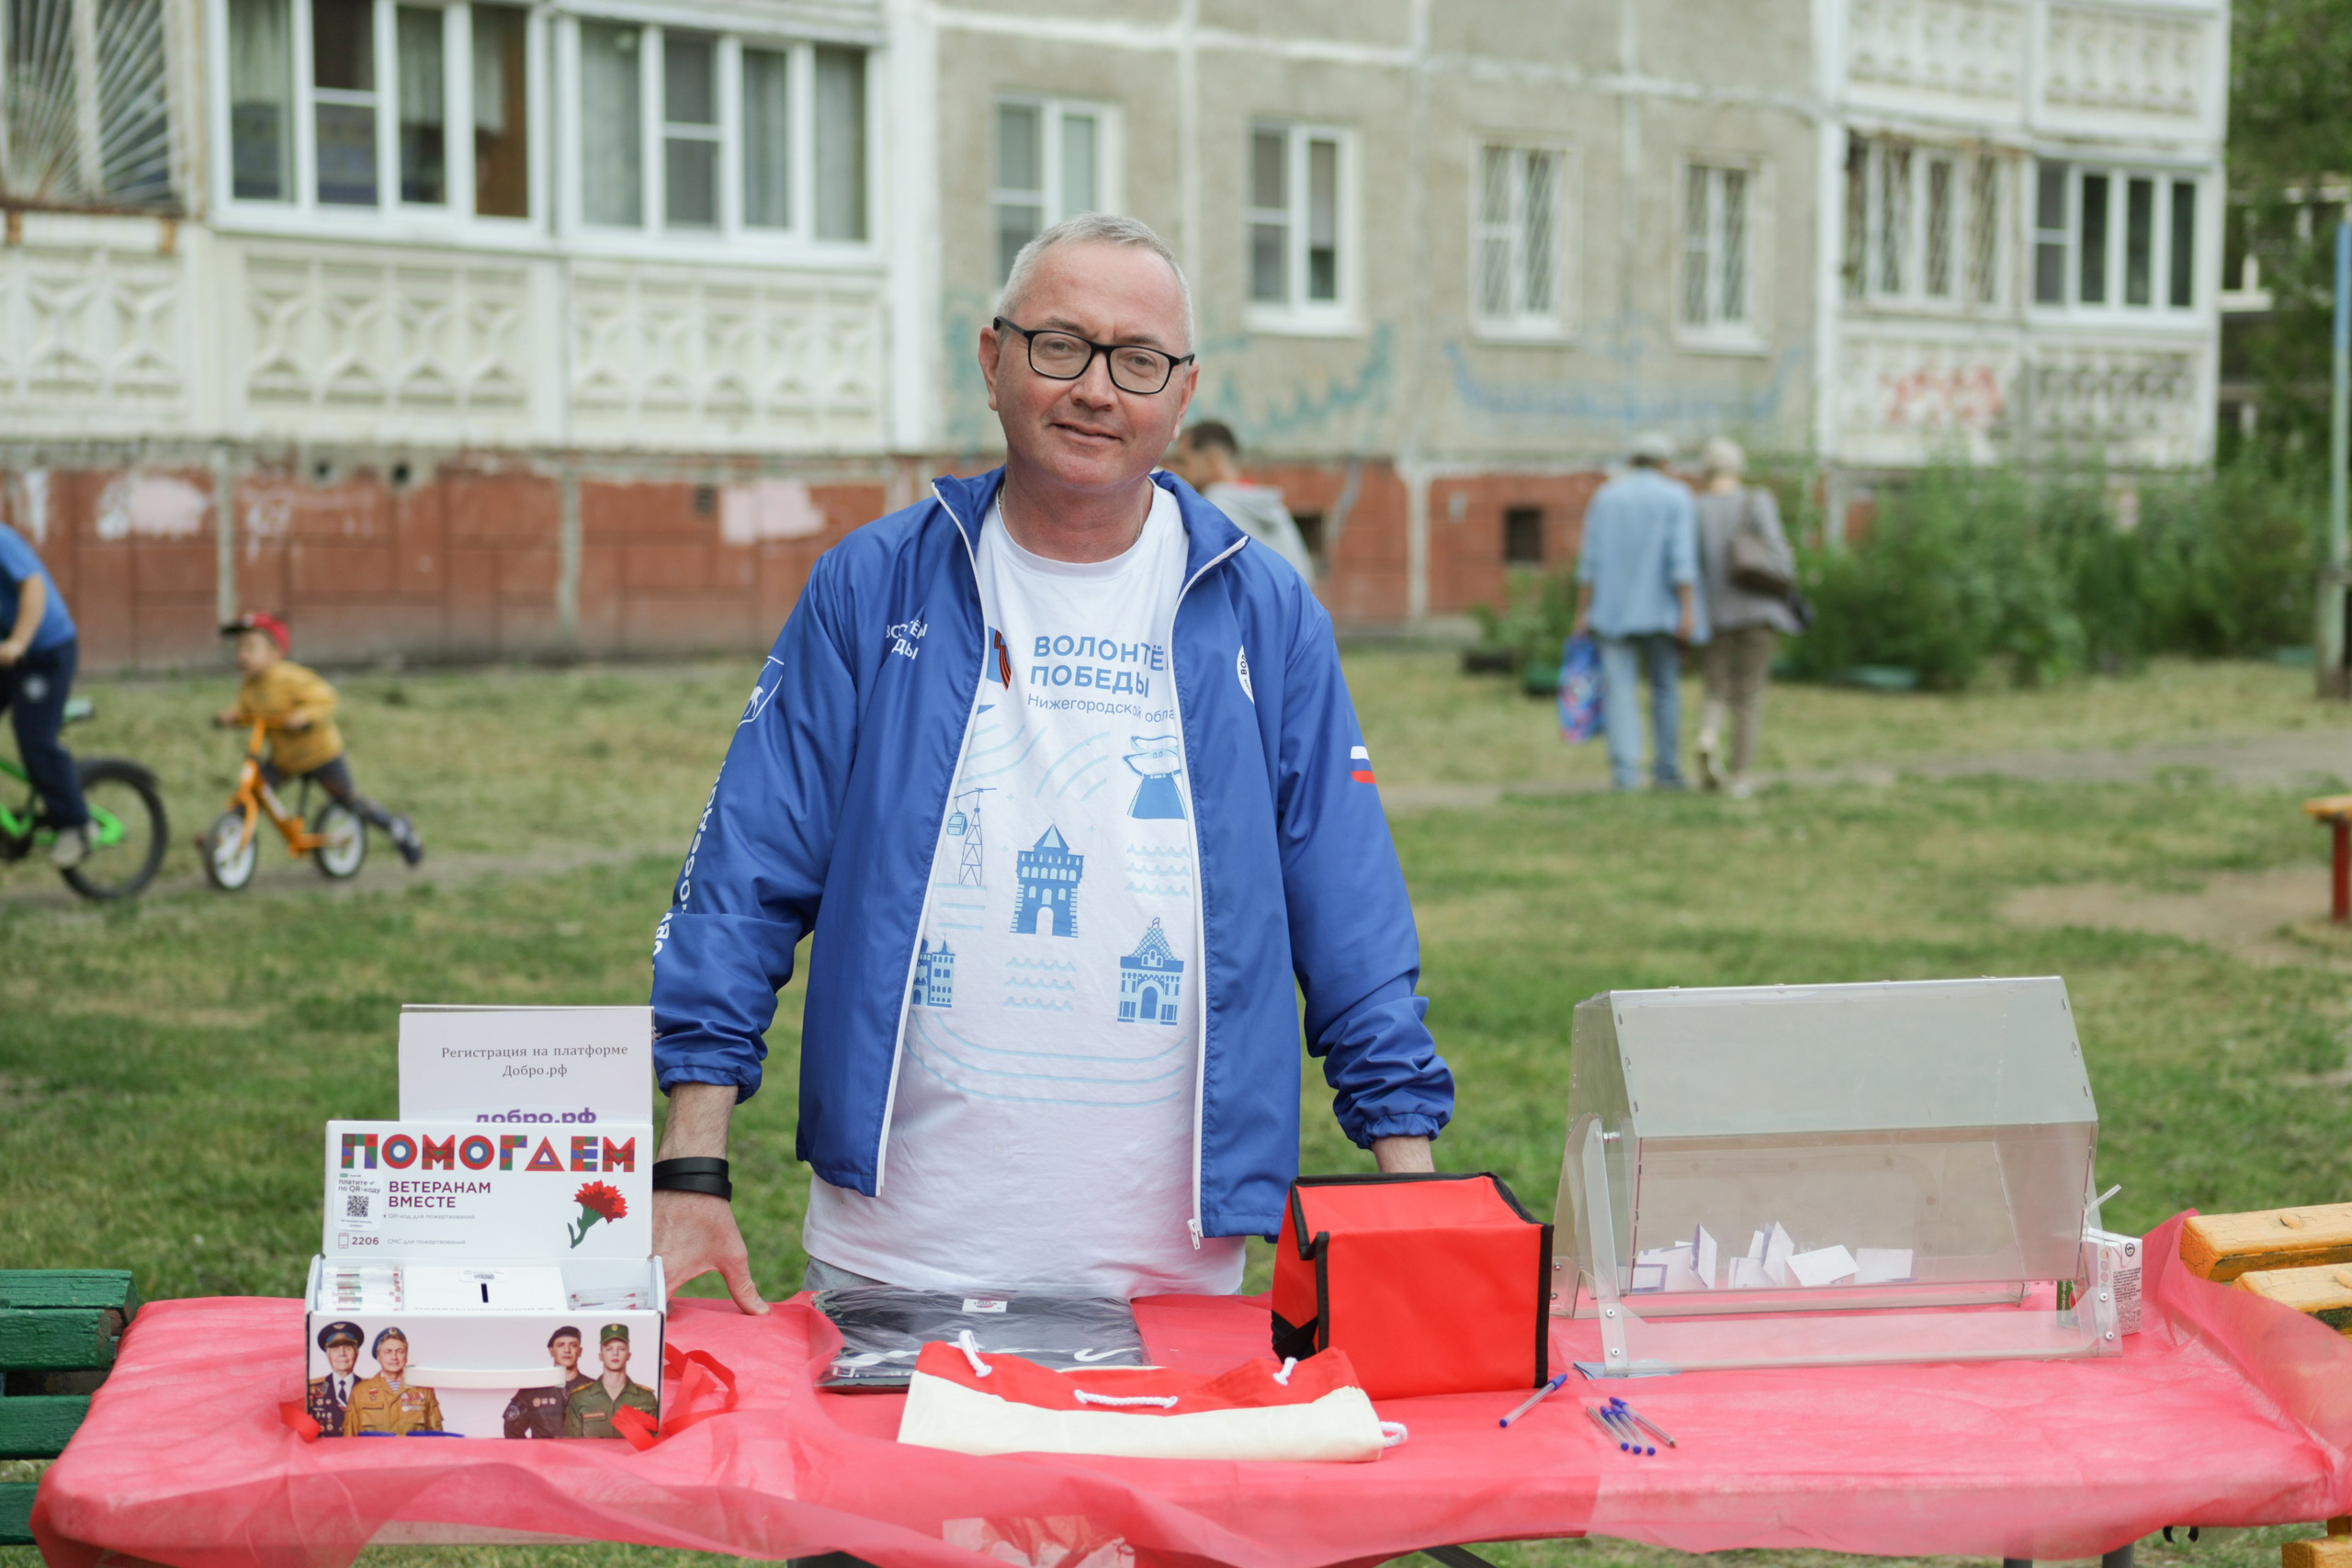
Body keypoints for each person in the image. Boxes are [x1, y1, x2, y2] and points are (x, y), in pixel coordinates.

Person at [647, 212, 1451, 1312]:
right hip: (897, 1261)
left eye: (1138, 360)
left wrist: (1411, 1198)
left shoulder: (1264, 609)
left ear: (1181, 391)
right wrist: (691, 1168)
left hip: (1175, 1279)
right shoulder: (871, 585)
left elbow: (1348, 913)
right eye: (1060, 345)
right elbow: (743, 876)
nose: (1096, 389)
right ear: (993, 360)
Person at [215, 613, 424, 865]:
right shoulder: (248, 686)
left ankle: (397, 828)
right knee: (253, 791)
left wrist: (304, 716)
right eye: (239, 649)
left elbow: (325, 697)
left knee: (348, 801)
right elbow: (249, 713)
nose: (242, 655)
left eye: (250, 648)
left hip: (321, 755)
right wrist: (235, 718)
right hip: (285, 760)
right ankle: (222, 836)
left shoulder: (290, 677)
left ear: (275, 652)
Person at [1573, 432, 1705, 792]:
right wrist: (1689, 611)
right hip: (1661, 611)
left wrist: (1582, 612)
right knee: (1665, 689)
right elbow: (1682, 561)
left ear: (1632, 461)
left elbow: (1590, 562)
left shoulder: (1607, 496)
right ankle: (1666, 770)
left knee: (1619, 690)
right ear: (1666, 463)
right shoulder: (1676, 497)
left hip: (1611, 612)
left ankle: (1625, 773)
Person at [1691, 437, 1801, 799]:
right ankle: (1738, 775)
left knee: (1717, 687)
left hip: (1717, 613)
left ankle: (1708, 735)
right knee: (1749, 694)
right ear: (1737, 467)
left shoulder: (1697, 508)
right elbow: (1778, 555)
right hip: (1758, 612)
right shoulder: (1757, 500)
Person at [0, 521, 92, 867]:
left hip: (44, 653)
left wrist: (19, 643)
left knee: (34, 738)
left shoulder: (2, 540)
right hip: (6, 653)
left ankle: (76, 825)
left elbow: (33, 588)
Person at [1167, 422, 1317, 579]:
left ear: (1213, 460)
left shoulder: (1212, 509)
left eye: (1183, 462)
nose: (1178, 471)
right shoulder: (1274, 508)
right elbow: (1304, 575)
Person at [342, 1327, 443, 1435]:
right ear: (378, 1356)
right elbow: (350, 1439)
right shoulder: (360, 1392)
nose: (394, 1357)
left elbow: (436, 1440)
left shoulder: (425, 1391)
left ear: (406, 1355)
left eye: (400, 1352)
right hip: (374, 1452)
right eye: (387, 1352)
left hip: (411, 1452)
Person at [563, 1324, 659, 1438]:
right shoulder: (580, 1398)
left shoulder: (645, 1398)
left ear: (628, 1355)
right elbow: (572, 1446)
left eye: (621, 1349)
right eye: (609, 1349)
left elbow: (653, 1446)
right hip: (592, 1456)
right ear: (601, 1355)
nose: (615, 1353)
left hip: (632, 1456)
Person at [502, 1325, 594, 1438]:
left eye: (573, 1345)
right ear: (551, 1351)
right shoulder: (534, 1389)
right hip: (546, 1456)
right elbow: (512, 1430)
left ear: (580, 1351)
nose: (567, 1350)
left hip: (583, 1455)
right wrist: (533, 1453)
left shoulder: (595, 1388)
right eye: (560, 1345)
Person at [306, 1321, 364, 1438]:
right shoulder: (312, 1389)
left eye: (347, 1349)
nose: (342, 1354)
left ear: (357, 1353)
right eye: (335, 1350)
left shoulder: (369, 1388)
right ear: (328, 1355)